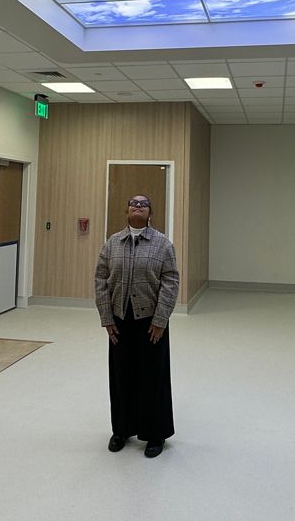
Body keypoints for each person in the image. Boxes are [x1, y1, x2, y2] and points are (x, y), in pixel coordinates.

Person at [93, 194, 179, 458]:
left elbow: (171, 281)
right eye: (133, 203)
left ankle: (155, 434)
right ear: (126, 211)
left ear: (150, 212)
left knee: (153, 377)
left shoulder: (162, 244)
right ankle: (122, 429)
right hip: (120, 320)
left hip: (151, 322)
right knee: (121, 375)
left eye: (143, 204)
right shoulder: (112, 243)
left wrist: (160, 319)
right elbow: (100, 279)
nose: (138, 206)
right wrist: (107, 317)